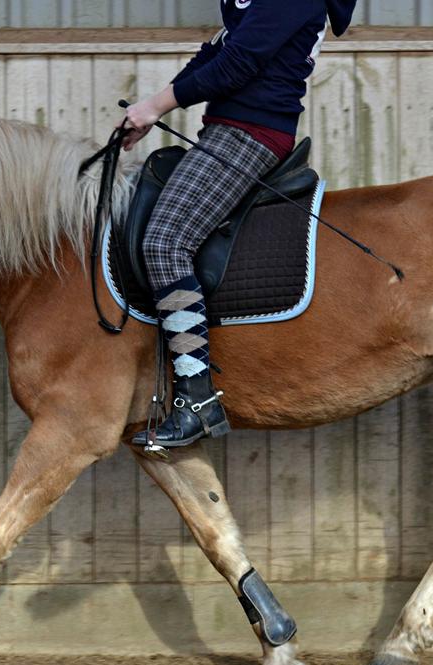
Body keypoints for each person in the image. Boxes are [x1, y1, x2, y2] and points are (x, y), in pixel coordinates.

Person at [123, 0, 357, 449]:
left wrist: (156, 106)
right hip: (228, 126)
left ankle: (196, 400)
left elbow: (238, 63)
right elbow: (218, 50)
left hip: (252, 132)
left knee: (165, 243)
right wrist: (149, 112)